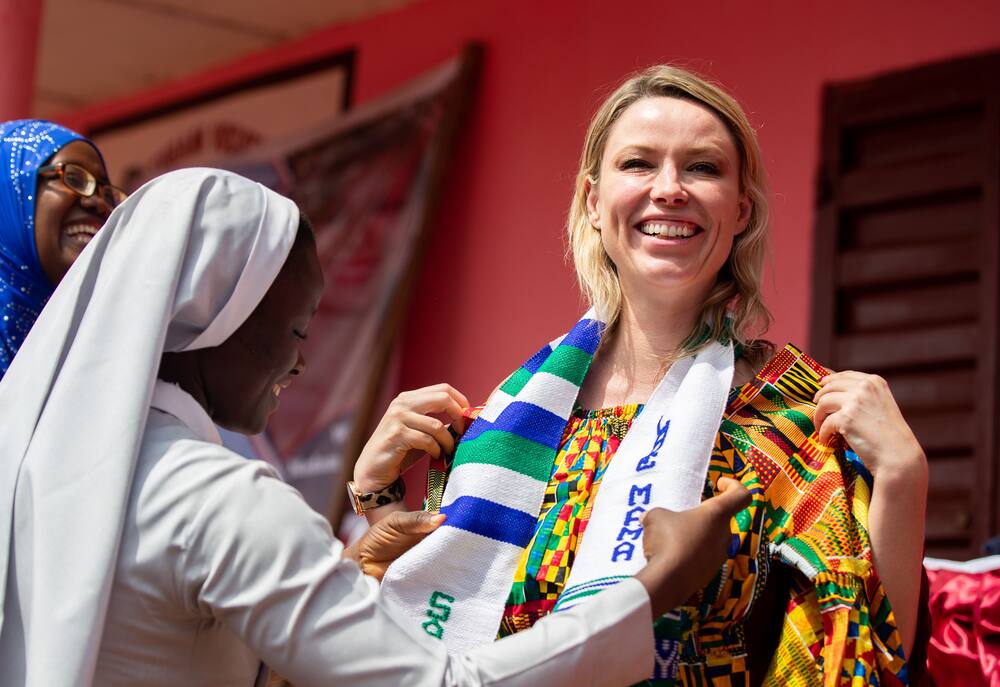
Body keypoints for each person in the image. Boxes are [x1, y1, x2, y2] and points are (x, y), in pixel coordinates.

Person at [0, 167, 751, 687]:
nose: (301, 361)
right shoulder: (216, 500)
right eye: (294, 326)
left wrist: (356, 564)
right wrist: (653, 587)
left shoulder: (47, 464)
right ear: (217, 316)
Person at [357, 66, 929, 686]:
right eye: (638, 164)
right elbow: (443, 623)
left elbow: (866, 653)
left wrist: (903, 476)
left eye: (703, 168)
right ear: (593, 202)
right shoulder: (513, 423)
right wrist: (378, 500)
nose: (670, 189)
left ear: (740, 210)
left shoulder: (796, 413)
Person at [0, 119, 124, 378]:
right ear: (9, 194)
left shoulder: (104, 352)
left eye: (108, 193)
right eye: (74, 177)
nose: (99, 204)